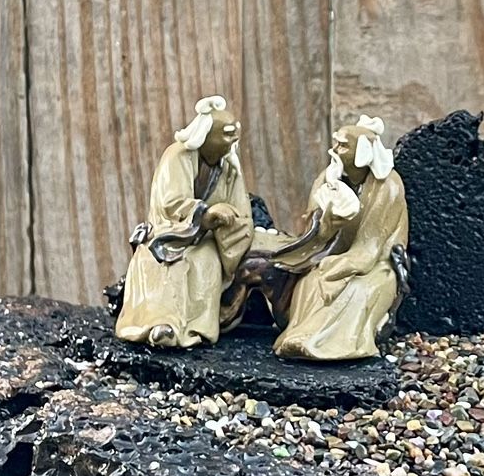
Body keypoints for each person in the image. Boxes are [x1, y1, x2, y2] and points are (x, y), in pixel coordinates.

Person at [113, 95, 255, 348]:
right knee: (164, 262)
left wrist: (231, 221)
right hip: (171, 231)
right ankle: (161, 324)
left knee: (206, 261)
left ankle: (197, 328)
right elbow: (170, 202)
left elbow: (240, 209)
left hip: (207, 238)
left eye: (236, 134)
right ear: (206, 135)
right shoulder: (177, 156)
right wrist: (205, 214)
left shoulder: (229, 167)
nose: (234, 140)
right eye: (227, 134)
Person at [265, 117, 409, 362]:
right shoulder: (329, 178)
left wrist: (344, 264)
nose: (334, 150)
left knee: (356, 289)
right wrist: (327, 226)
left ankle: (336, 344)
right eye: (336, 144)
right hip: (333, 251)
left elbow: (371, 246)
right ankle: (299, 335)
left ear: (362, 153)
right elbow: (313, 228)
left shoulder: (388, 186)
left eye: (343, 146)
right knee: (311, 280)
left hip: (376, 263)